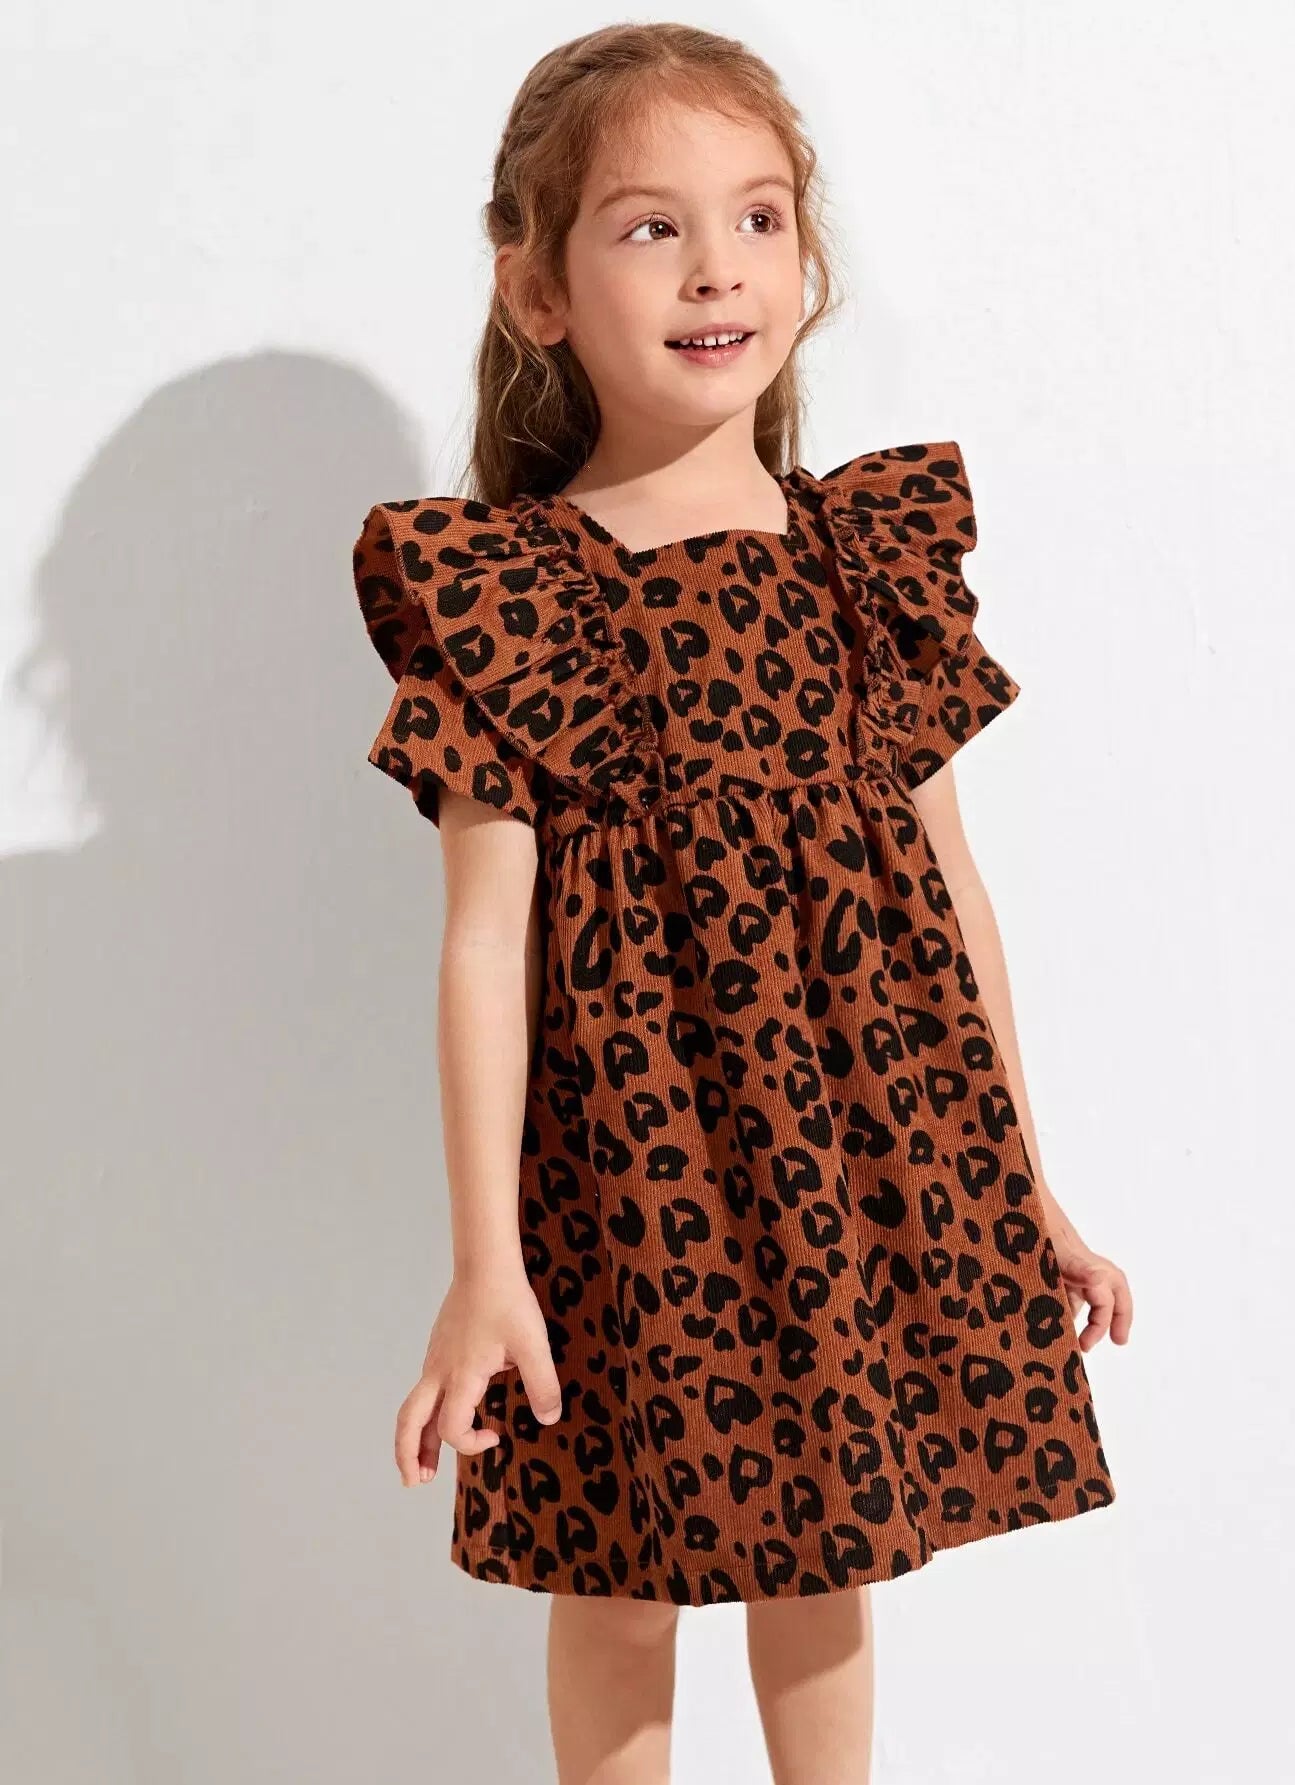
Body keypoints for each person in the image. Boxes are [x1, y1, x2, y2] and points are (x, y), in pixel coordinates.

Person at [352, 21, 1132, 1784]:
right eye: (653, 227)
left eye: (760, 218)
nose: (719, 267)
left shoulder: (865, 565)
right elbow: (483, 945)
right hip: (630, 1175)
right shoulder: (515, 594)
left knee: (832, 1548)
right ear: (538, 291)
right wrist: (486, 1263)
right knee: (621, 1577)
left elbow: (950, 892)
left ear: (806, 262)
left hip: (855, 1157)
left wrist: (1025, 1180)